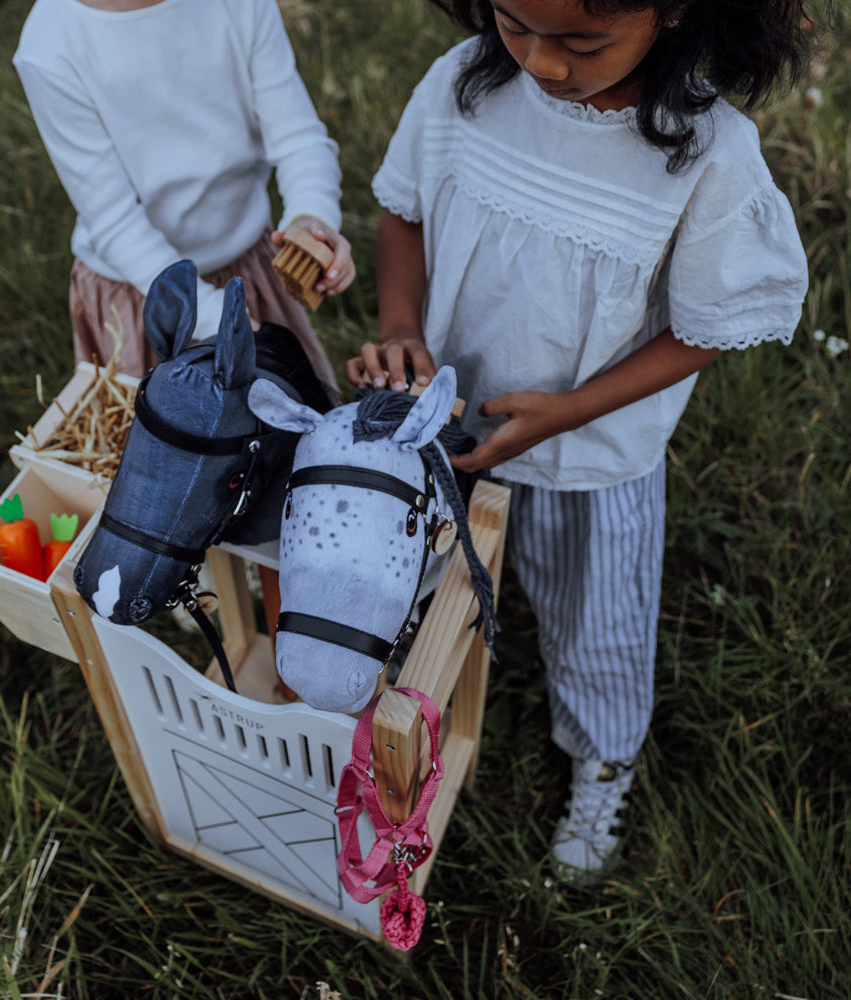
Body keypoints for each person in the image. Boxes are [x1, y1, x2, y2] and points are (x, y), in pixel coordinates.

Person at [348, 0, 812, 883]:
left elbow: (708, 325)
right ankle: (399, 710)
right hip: (448, 424)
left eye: (582, 42)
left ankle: (601, 759)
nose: (542, 63)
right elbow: (403, 211)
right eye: (516, 23)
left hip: (589, 453)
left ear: (674, 10)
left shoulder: (705, 155)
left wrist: (572, 409)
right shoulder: (463, 84)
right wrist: (402, 324)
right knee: (415, 582)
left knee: (595, 615)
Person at [13, 0, 355, 385]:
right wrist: (218, 317)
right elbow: (114, 222)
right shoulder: (50, 44)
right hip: (143, 292)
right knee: (167, 438)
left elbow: (298, 137)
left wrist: (313, 212)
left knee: (285, 421)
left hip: (248, 270)